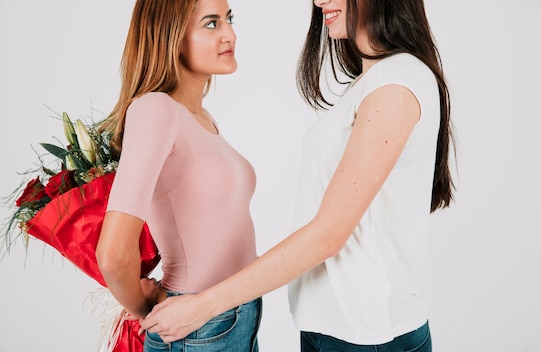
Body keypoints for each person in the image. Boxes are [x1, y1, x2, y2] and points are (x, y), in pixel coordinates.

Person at [141, 0, 454, 351]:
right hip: (335, 331)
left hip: (370, 337)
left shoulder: (397, 82)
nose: (320, 1)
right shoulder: (371, 81)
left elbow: (328, 235)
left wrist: (203, 306)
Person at [95, 0, 262, 351]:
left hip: (235, 314)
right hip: (198, 326)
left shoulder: (201, 119)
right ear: (170, 36)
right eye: (211, 24)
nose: (229, 34)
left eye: (229, 20)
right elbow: (112, 254)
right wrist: (149, 313)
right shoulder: (156, 109)